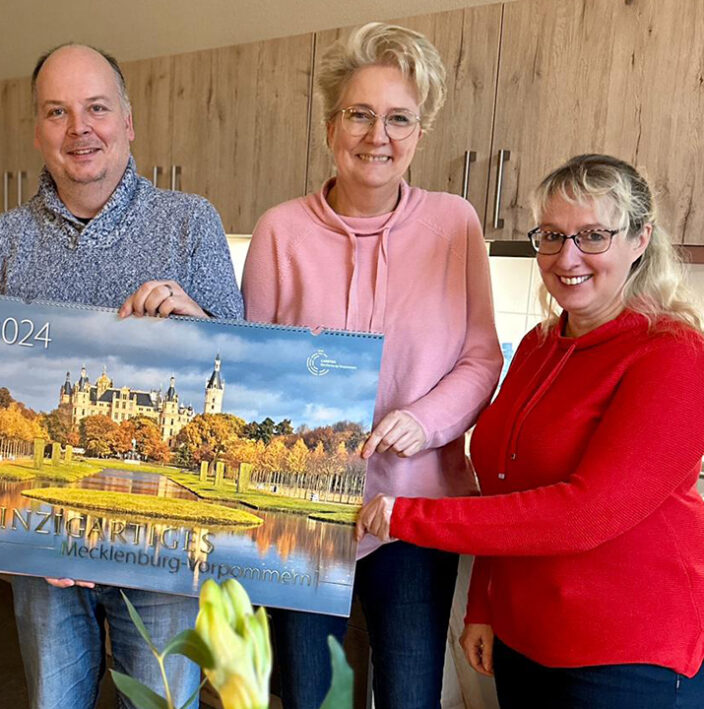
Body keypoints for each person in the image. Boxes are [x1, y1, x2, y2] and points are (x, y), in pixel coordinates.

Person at [358, 154, 704, 708]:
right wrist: (485, 609)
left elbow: (585, 513)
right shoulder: (541, 346)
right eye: (551, 235)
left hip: (626, 656)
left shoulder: (673, 354)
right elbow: (505, 484)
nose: (567, 257)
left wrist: (410, 515)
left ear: (640, 239)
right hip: (527, 640)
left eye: (593, 236)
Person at [0, 43, 243, 709]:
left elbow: (238, 360)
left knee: (164, 702)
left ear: (128, 121)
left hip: (166, 555)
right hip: (46, 543)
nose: (78, 129)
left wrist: (192, 317)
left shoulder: (190, 222)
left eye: (96, 108)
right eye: (57, 112)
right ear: (37, 130)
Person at [241, 22, 502, 709]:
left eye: (398, 118)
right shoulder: (279, 231)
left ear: (420, 132)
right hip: (301, 513)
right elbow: (250, 370)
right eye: (359, 114)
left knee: (409, 696)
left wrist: (425, 419)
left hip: (417, 511)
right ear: (331, 124)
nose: (376, 135)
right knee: (306, 695)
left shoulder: (455, 225)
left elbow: (481, 356)